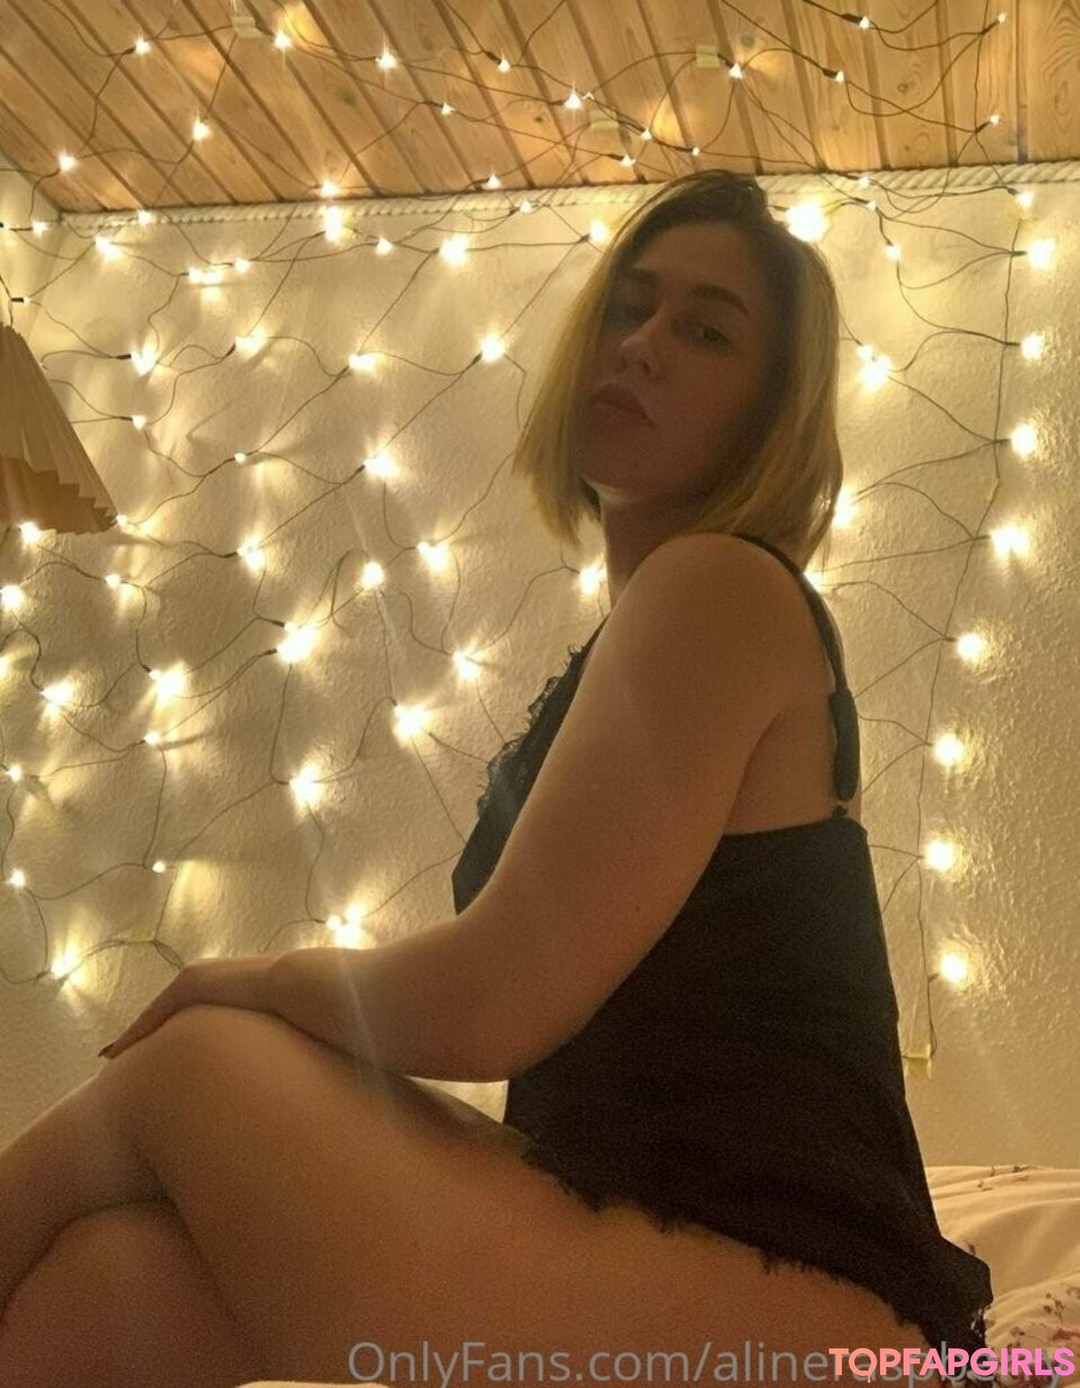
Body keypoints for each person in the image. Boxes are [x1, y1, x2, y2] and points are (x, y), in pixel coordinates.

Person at [0, 171, 994, 1388]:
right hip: (659, 1238)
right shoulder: (655, 625)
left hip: (796, 1290)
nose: (642, 344)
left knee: (196, 1056)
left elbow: (491, 1000)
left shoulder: (720, 588)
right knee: (108, 1282)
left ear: (766, 411)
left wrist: (248, 977)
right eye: (628, 307)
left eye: (706, 331)